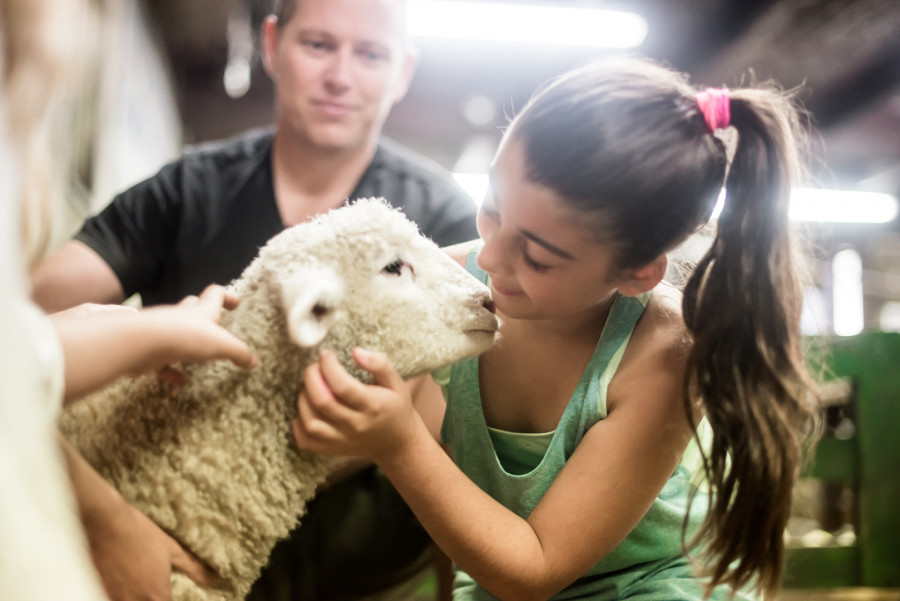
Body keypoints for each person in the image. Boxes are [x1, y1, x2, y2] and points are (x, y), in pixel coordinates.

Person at [290, 57, 822, 601]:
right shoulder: (452, 282)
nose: (490, 258)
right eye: (493, 207)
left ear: (637, 273)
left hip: (644, 588)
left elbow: (535, 568)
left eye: (539, 257)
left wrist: (399, 444)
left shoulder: (661, 357)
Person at [30, 0, 479, 599]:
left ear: (402, 71)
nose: (341, 75)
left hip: (363, 570)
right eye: (318, 44)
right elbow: (27, 315)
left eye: (370, 53)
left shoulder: (437, 222)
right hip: (170, 549)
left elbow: (457, 415)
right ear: (272, 45)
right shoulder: (189, 190)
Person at [0, 1, 257, 599]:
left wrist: (149, 331)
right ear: (272, 45)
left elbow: (21, 348)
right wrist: (109, 519)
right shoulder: (192, 184)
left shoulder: (425, 206)